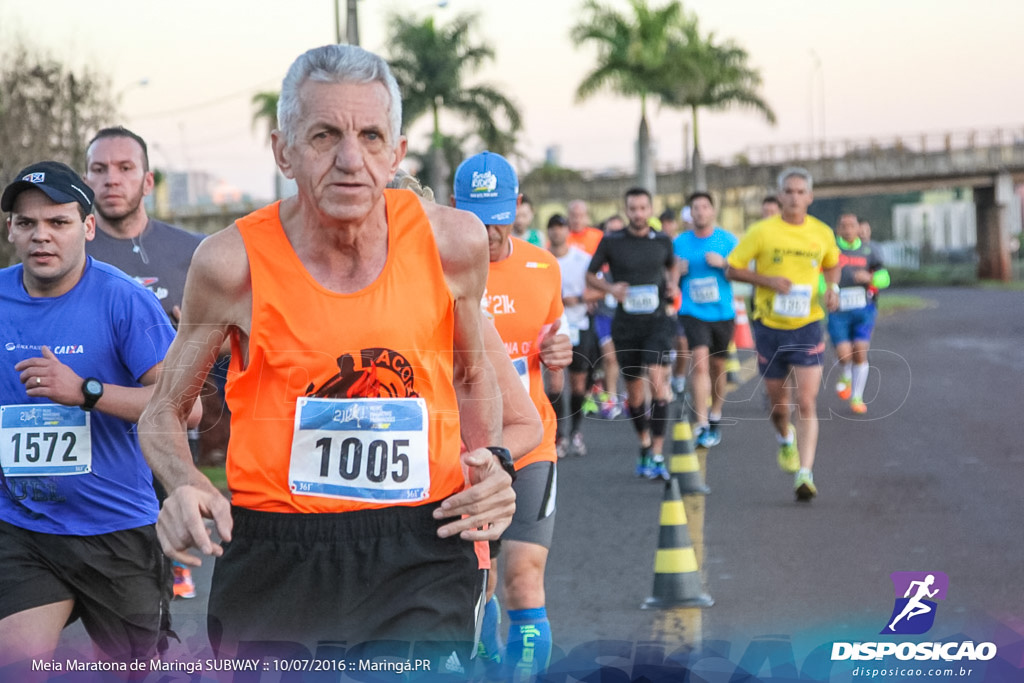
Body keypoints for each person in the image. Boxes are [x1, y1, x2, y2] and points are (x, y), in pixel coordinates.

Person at [137, 45, 517, 665]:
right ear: (283, 150)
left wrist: (493, 461)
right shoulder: (230, 264)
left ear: (396, 153)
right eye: (324, 135)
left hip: (422, 542)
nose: (351, 160)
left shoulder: (454, 243)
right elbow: (162, 412)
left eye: (371, 136)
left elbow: (475, 377)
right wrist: (182, 484)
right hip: (278, 551)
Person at [0, 161, 182, 665]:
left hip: (115, 530)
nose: (42, 236)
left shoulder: (124, 299)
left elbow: (181, 407)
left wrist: (87, 392)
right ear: (10, 229)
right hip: (24, 525)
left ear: (87, 228)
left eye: (58, 223)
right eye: (27, 223)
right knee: (16, 661)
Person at [453, 151, 571, 681]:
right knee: (484, 581)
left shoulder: (543, 267)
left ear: (518, 208)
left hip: (531, 445)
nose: (491, 231)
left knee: (525, 578)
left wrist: (560, 359)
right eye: (478, 218)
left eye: (499, 216)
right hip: (467, 452)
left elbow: (554, 359)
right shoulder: (441, 271)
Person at [83, 125, 207, 601]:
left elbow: (232, 334)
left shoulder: (193, 251)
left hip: (173, 417)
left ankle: (178, 557)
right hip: (95, 422)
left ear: (148, 181)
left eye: (124, 168)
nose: (111, 180)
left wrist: (194, 334)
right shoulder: (72, 249)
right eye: (99, 169)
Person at [726, 168, 840, 502]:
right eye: (788, 191)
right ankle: (785, 439)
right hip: (770, 327)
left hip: (807, 325)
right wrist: (768, 281)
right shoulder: (762, 231)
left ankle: (805, 473)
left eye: (800, 191)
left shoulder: (821, 232)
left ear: (810, 196)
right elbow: (732, 268)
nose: (794, 197)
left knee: (806, 401)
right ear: (779, 196)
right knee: (779, 406)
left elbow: (833, 262)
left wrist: (831, 287)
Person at [586, 188, 679, 480]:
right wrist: (611, 289)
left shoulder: (662, 240)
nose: (638, 214)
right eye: (633, 209)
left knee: (657, 381)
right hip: (626, 326)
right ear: (626, 210)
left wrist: (673, 284)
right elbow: (590, 274)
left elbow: (672, 264)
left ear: (650, 209)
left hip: (657, 322)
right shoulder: (612, 241)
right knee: (636, 394)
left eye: (643, 208)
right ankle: (644, 443)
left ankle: (658, 454)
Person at [673, 192, 738, 448]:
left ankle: (715, 414)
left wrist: (724, 264)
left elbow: (741, 274)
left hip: (722, 313)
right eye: (695, 208)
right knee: (699, 364)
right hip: (692, 311)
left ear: (712, 211)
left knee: (717, 367)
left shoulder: (727, 240)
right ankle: (701, 424)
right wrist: (676, 274)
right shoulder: (679, 243)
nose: (699, 212)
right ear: (690, 213)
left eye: (704, 207)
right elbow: (669, 278)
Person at [546, 213, 603, 458]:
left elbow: (600, 290)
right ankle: (559, 434)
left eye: (561, 228)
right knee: (555, 385)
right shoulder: (542, 259)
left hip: (579, 324)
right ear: (548, 232)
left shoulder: (582, 259)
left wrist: (578, 299)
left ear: (568, 231)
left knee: (579, 384)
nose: (557, 232)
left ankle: (576, 431)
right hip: (553, 328)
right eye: (553, 228)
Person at [828, 213, 889, 414]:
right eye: (843, 226)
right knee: (845, 355)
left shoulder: (869, 251)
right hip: (839, 311)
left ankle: (857, 396)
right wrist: (828, 291)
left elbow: (884, 278)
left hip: (864, 308)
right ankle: (845, 371)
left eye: (851, 226)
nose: (847, 230)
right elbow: (820, 277)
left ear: (858, 229)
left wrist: (869, 278)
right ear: (838, 229)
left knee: (860, 351)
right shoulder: (831, 249)